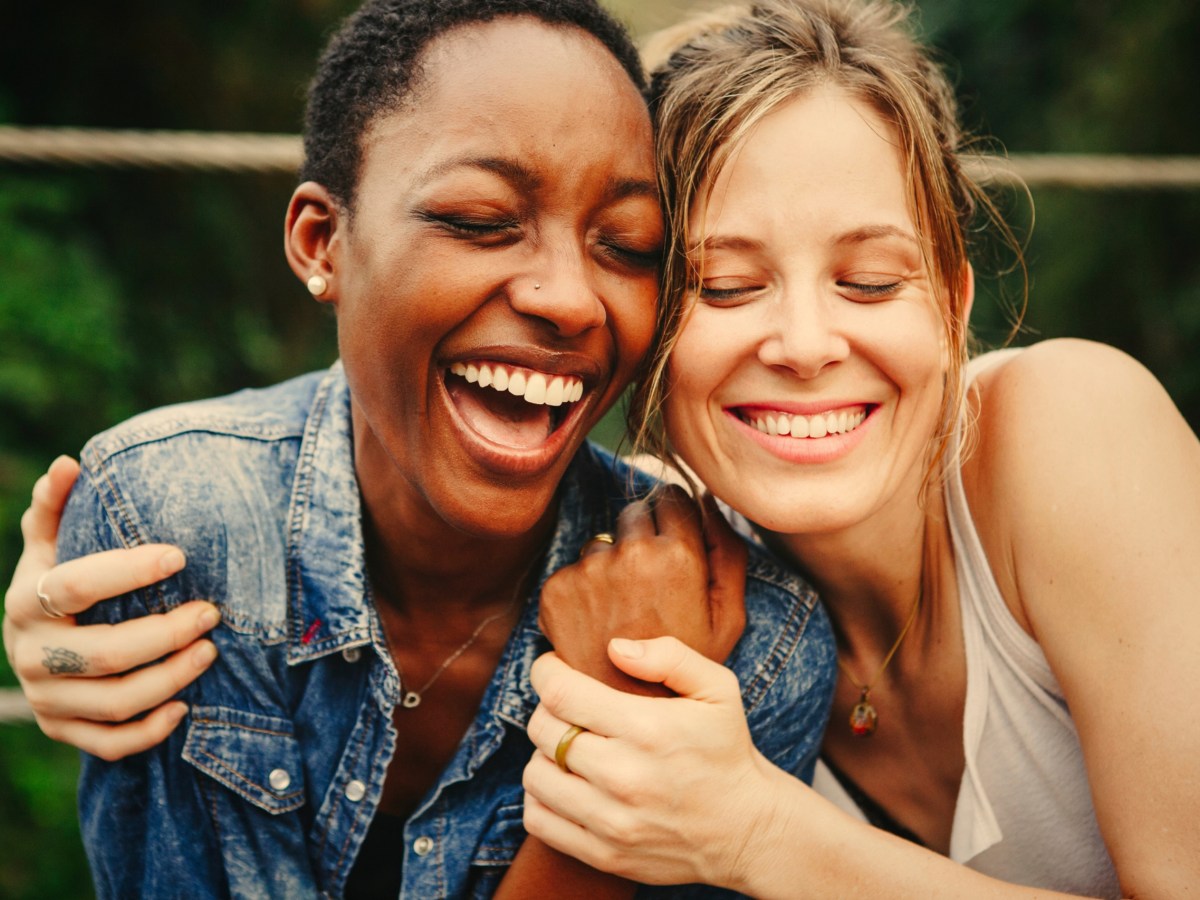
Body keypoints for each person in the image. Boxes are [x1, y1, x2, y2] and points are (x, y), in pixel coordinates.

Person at [0, 1, 837, 898]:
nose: (570, 298)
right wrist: (611, 754)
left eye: (626, 245)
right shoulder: (176, 530)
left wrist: (635, 718)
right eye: (481, 220)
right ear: (322, 243)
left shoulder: (748, 649)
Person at [515, 1, 1200, 897]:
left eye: (870, 283)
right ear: (648, 337)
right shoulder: (659, 569)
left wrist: (759, 833)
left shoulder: (1074, 427)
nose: (805, 344)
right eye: (725, 287)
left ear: (953, 309)